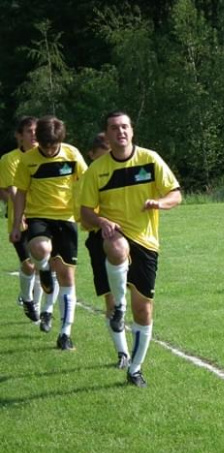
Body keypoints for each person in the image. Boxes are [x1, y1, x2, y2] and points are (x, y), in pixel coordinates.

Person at [80, 111, 182, 387]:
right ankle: (118, 306)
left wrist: (160, 203)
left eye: (124, 127)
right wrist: (101, 221)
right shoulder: (96, 171)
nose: (120, 132)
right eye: (114, 128)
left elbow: (176, 193)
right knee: (116, 247)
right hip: (115, 234)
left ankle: (135, 369)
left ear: (132, 131)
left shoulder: (150, 160)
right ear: (107, 134)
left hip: (147, 242)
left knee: (144, 311)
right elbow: (85, 212)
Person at [10, 116, 87, 348]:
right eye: (45, 146)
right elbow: (21, 192)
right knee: (40, 249)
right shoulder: (28, 160)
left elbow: (87, 182)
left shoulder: (72, 155)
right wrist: (16, 224)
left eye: (54, 146)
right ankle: (43, 269)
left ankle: (65, 333)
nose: (49, 150)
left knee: (66, 276)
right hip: (39, 217)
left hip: (66, 219)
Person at [81, 132, 131, 369]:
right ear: (91, 156)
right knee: (111, 300)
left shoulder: (122, 172)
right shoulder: (87, 179)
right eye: (101, 157)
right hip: (99, 242)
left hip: (130, 237)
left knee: (138, 296)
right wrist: (101, 221)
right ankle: (122, 353)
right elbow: (84, 218)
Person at [0, 116, 45, 322]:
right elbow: (11, 189)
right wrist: (20, 214)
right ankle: (27, 299)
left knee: (42, 261)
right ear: (19, 136)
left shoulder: (46, 156)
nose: (34, 134)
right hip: (21, 219)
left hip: (43, 217)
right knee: (28, 264)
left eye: (37, 130)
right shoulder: (10, 159)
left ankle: (36, 304)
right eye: (29, 131)